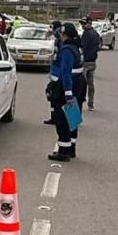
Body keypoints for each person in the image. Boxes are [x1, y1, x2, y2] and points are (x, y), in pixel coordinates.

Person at [47, 23, 84, 162]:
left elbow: (66, 72)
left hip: (67, 86)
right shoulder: (76, 46)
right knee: (73, 117)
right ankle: (71, 148)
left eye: (61, 34)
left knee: (62, 119)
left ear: (65, 35)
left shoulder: (67, 50)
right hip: (79, 83)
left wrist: (67, 92)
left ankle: (63, 151)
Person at [80, 19, 101, 111]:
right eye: (82, 24)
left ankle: (79, 102)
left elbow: (82, 47)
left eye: (84, 24)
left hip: (85, 61)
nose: (82, 26)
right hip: (93, 61)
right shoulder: (96, 34)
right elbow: (98, 47)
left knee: (81, 84)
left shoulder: (86, 34)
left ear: (89, 24)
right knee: (91, 84)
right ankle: (91, 104)